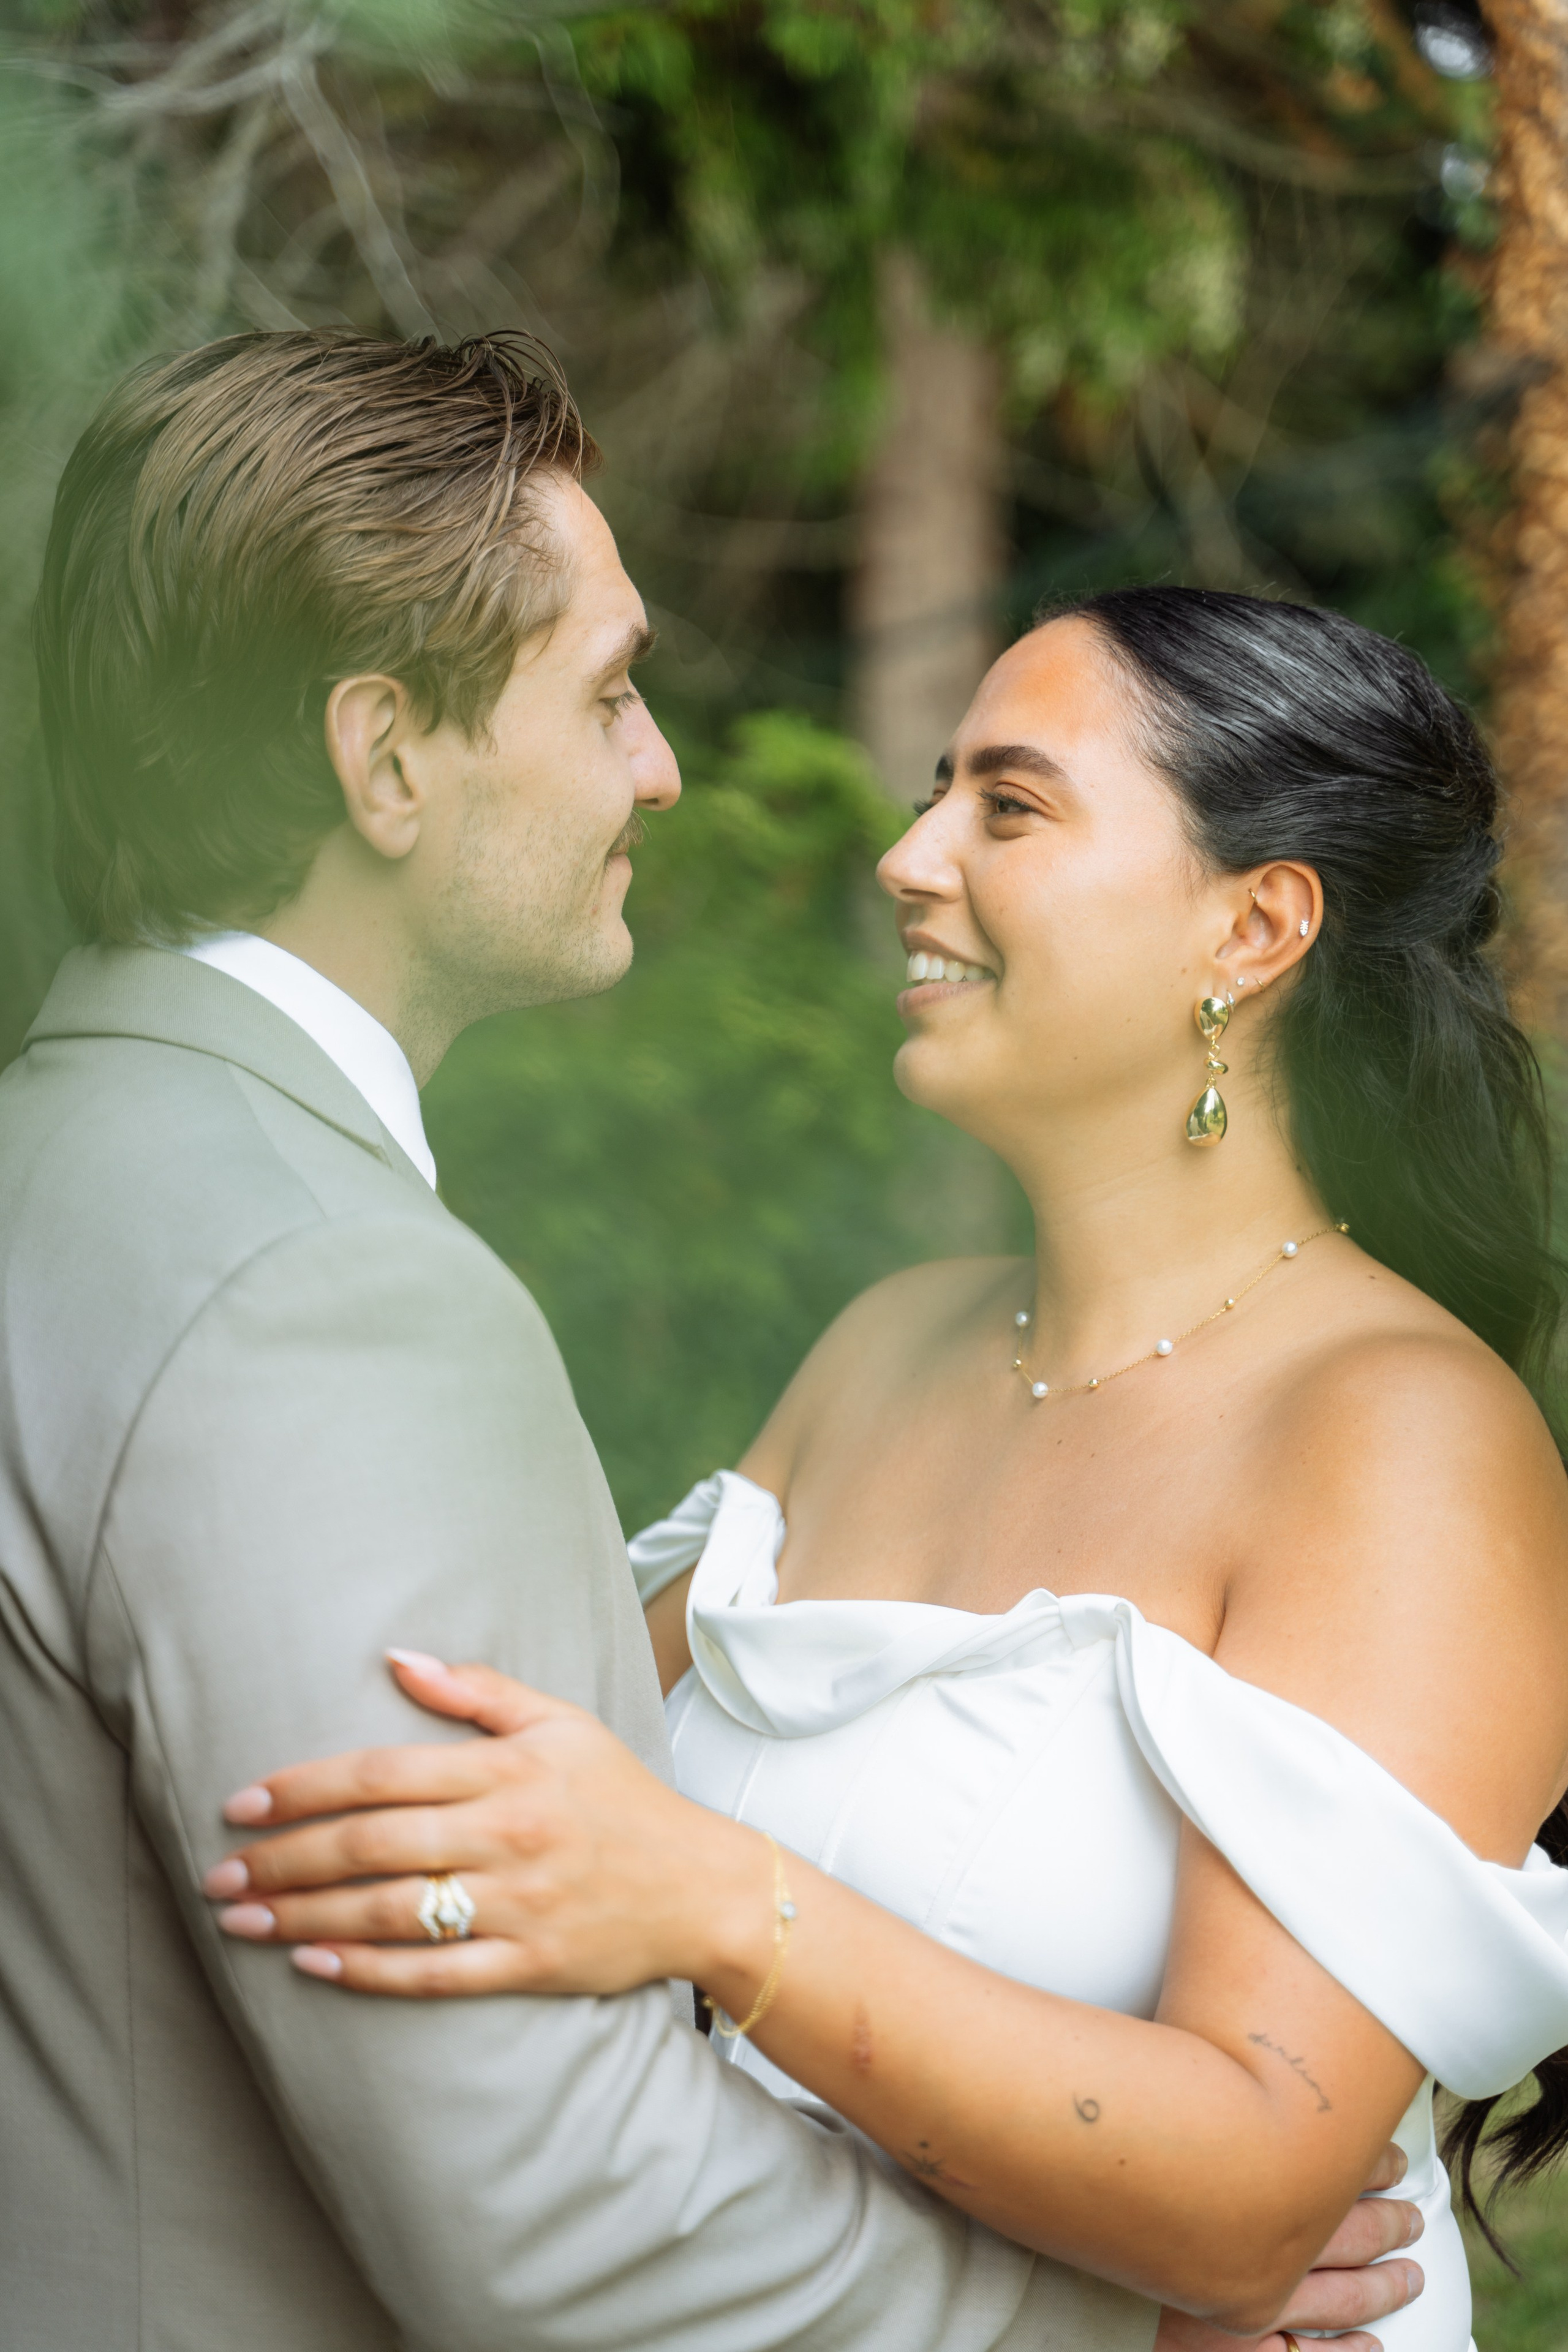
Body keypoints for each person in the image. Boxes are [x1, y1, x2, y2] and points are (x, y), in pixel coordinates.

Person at [0, 330, 1417, 2352]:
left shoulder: (63, 1165)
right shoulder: (326, 1297)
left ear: (1258, 929)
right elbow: (554, 2207)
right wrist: (1117, 2325)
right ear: (383, 759)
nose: (660, 763)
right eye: (607, 693)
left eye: (1006, 807)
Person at [207, 587, 1568, 2352]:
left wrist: (715, 1904)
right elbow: (544, 1808)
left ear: (1255, 925)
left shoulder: (1403, 1439)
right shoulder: (886, 1345)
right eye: (940, 795)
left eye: (1009, 807)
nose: (911, 857)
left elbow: (1255, 2194)